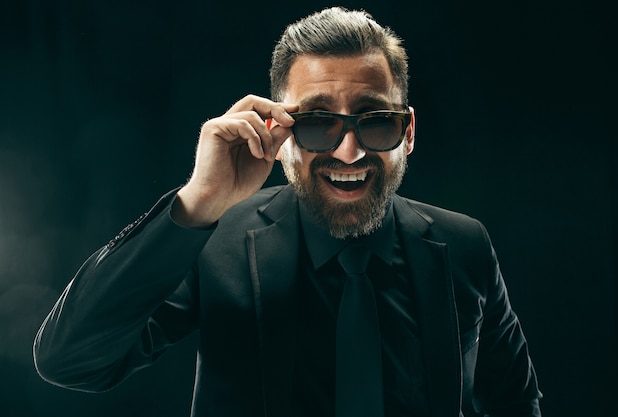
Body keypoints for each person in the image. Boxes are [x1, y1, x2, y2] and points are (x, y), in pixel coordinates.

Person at [33, 7, 542, 417]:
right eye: (318, 123)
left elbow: (515, 404)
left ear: (407, 132)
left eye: (376, 122)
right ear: (279, 135)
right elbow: (72, 361)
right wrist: (196, 204)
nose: (348, 152)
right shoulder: (216, 240)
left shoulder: (464, 245)